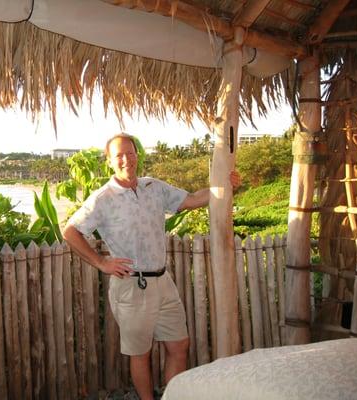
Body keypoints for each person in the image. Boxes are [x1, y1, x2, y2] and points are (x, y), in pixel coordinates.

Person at [62, 133, 241, 400]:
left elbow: (192, 198)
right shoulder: (103, 198)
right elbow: (70, 231)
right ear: (109, 161)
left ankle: (170, 397)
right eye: (119, 155)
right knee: (140, 354)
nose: (126, 160)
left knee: (179, 345)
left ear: (137, 155)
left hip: (163, 282)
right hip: (132, 287)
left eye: (130, 153)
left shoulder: (153, 187)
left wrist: (224, 186)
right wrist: (101, 263)